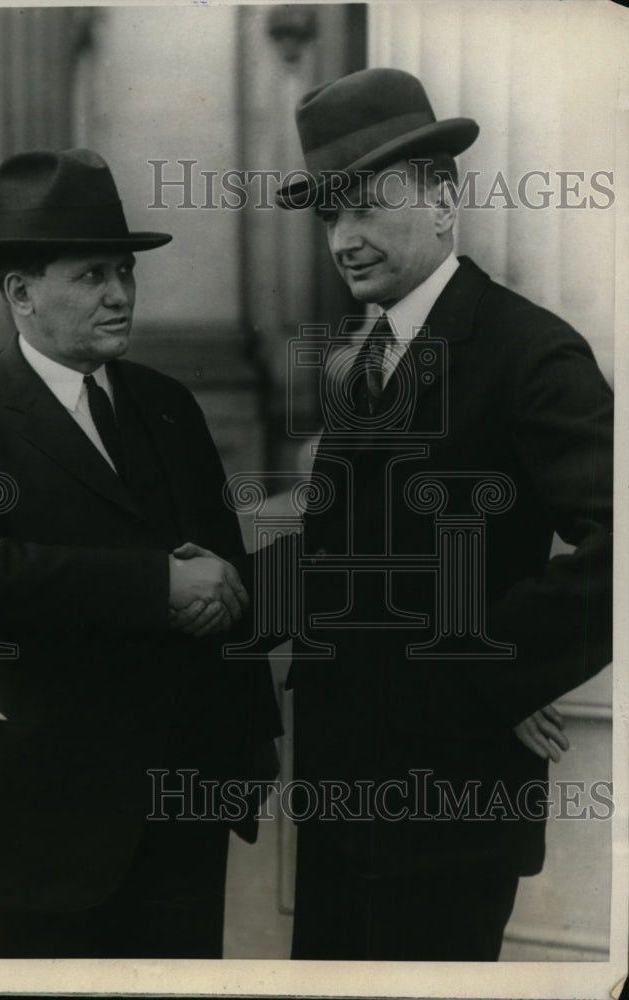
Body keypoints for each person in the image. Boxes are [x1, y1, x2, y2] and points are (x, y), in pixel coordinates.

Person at [174, 68, 613, 961]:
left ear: (444, 200)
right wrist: (226, 592)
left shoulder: (529, 353)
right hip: (338, 797)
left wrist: (493, 670)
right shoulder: (361, 361)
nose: (346, 239)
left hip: (450, 808)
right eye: (332, 217)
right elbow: (345, 555)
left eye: (369, 207)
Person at [0, 147, 281, 959]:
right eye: (92, 276)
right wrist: (161, 586)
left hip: (180, 805)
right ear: (21, 293)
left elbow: (222, 569)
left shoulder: (168, 406)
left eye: (124, 272)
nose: (119, 294)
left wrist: (244, 736)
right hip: (39, 823)